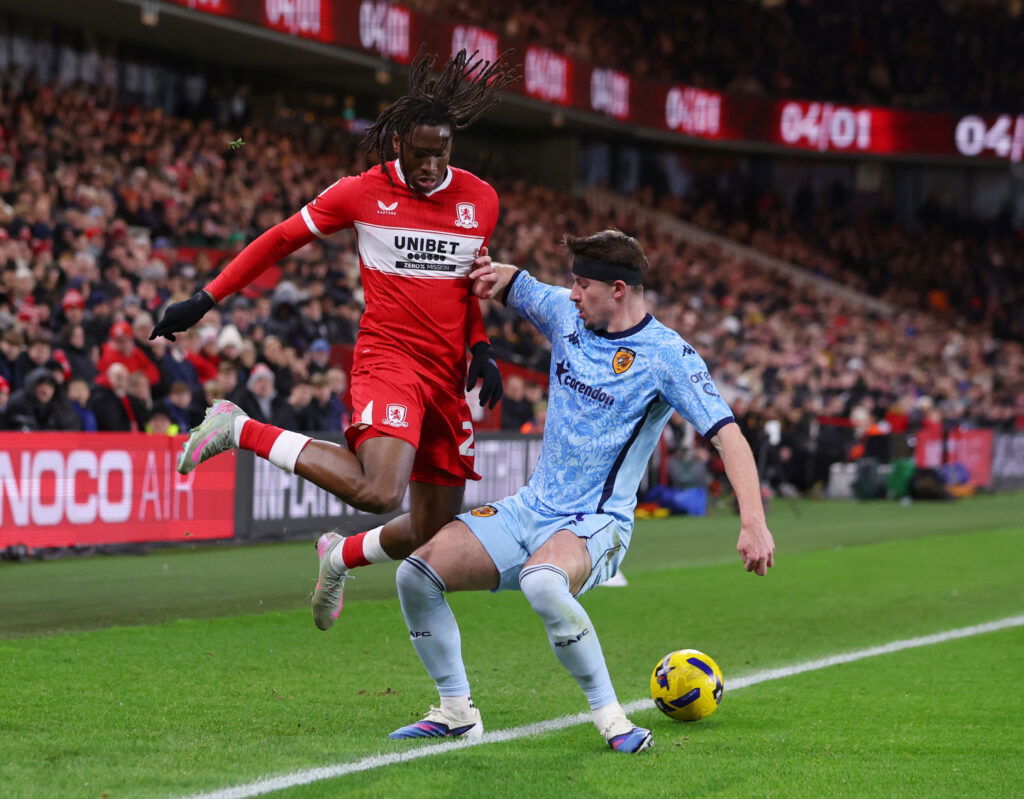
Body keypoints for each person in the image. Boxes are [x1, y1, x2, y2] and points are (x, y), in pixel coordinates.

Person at [152, 49, 521, 630]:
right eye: (420, 153)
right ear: (397, 143)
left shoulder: (480, 200)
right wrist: (205, 299)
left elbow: (467, 285)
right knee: (379, 491)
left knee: (432, 529)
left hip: (447, 377)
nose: (430, 165)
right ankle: (239, 428)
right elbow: (279, 240)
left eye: (441, 153)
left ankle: (339, 555)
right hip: (390, 359)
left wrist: (481, 347)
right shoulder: (360, 192)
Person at [382, 230, 775, 753]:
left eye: (582, 284)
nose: (571, 293)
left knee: (542, 582)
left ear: (618, 289)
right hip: (531, 507)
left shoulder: (668, 356)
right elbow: (508, 281)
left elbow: (729, 436)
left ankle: (614, 721)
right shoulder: (566, 313)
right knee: (415, 575)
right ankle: (456, 712)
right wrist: (473, 265)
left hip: (597, 522)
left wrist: (753, 522)